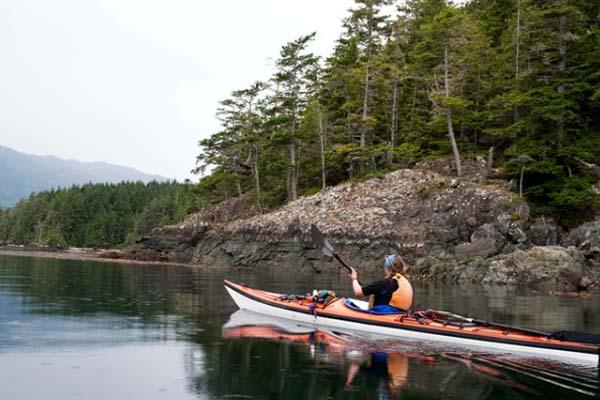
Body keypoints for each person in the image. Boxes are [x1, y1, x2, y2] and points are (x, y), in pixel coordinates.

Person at [348, 254, 413, 312]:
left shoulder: (384, 283)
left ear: (387, 268)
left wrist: (354, 278)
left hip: (383, 316)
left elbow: (358, 293)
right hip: (397, 315)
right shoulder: (405, 282)